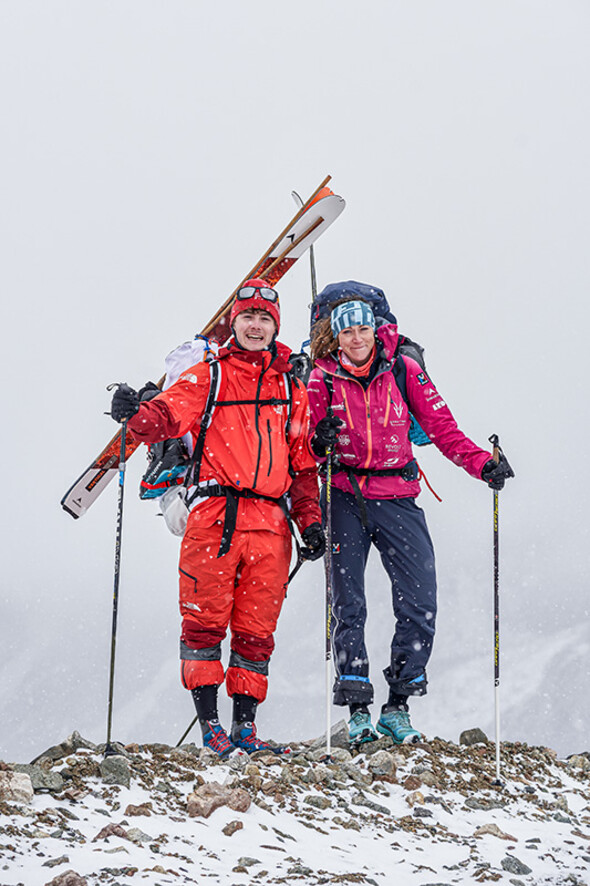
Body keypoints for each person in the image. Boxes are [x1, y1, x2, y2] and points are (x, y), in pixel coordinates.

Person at [110, 279, 325, 757]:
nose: (255, 325)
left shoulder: (292, 389)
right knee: (204, 625)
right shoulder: (210, 375)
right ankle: (212, 729)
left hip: (271, 524)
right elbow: (167, 416)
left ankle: (246, 729)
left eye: (265, 319)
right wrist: (134, 414)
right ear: (235, 323)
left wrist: (310, 520)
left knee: (256, 629)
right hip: (215, 517)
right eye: (248, 317)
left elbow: (303, 464)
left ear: (275, 327)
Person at [307, 286, 514, 746]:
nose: (357, 338)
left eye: (363, 328)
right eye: (347, 331)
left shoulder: (403, 369)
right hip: (343, 494)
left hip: (398, 492)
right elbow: (305, 446)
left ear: (375, 329)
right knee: (348, 605)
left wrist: (483, 464)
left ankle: (397, 706)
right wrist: (318, 443)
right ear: (333, 336)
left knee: (420, 601)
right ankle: (358, 708)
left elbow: (443, 429)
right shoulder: (320, 379)